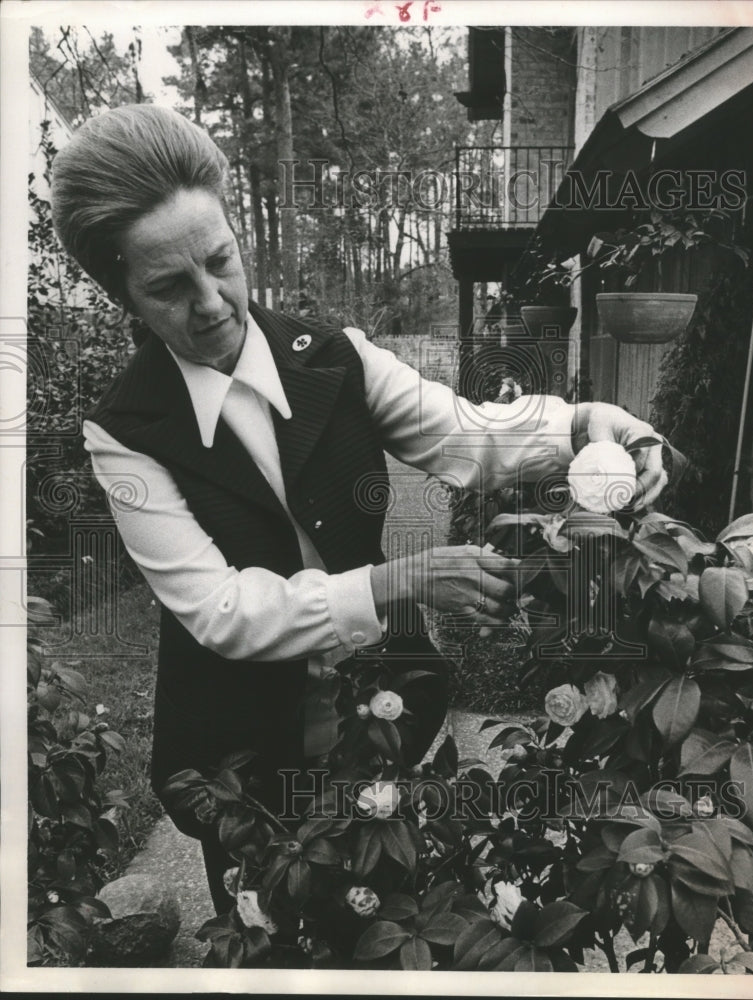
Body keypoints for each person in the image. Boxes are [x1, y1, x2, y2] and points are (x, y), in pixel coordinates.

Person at [50, 104, 667, 914]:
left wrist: (585, 424)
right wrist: (397, 582)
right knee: (270, 927)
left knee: (391, 910)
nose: (211, 303)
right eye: (168, 287)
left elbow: (467, 433)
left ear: (236, 235)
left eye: (221, 261)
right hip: (237, 761)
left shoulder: (335, 357)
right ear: (124, 296)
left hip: (382, 716)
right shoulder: (125, 429)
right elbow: (220, 610)